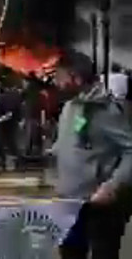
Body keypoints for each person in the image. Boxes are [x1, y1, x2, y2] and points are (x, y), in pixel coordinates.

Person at [54, 56, 132, 259]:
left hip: (100, 204)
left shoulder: (106, 110)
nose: (56, 82)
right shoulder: (69, 106)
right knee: (70, 252)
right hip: (70, 201)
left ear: (76, 78)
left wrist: (113, 185)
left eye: (60, 77)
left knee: (103, 253)